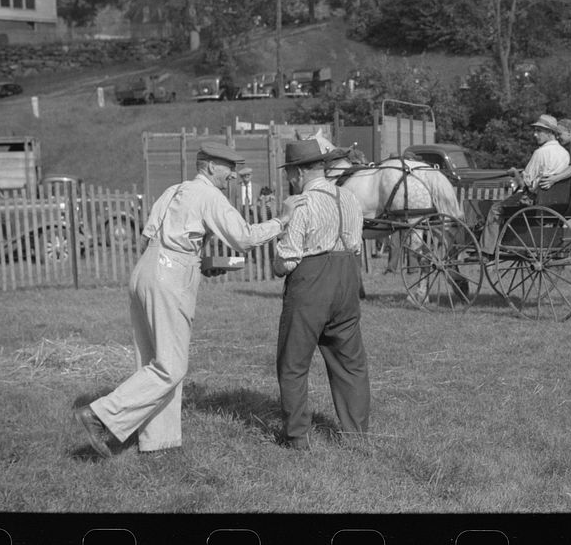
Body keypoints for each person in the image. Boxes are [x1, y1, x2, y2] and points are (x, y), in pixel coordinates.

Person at [73, 143, 294, 459]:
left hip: (146, 268)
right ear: (208, 166)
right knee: (171, 367)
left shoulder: (175, 189)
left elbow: (155, 235)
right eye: (227, 167)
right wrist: (282, 221)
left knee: (153, 360)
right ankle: (99, 415)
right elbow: (243, 237)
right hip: (169, 275)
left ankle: (158, 442)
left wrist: (197, 260)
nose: (232, 175)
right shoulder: (208, 195)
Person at [272, 140, 369, 451]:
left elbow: (287, 260)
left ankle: (297, 436)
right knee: (349, 360)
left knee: (293, 362)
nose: (289, 178)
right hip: (347, 278)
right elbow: (357, 245)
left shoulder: (301, 203)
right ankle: (356, 434)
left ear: (299, 172)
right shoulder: (350, 198)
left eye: (290, 172)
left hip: (311, 282)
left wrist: (276, 260)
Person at [479, 115, 570, 254]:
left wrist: (515, 173)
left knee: (495, 209)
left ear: (550, 133)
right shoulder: (565, 153)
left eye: (539, 131)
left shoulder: (540, 153)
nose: (535, 134)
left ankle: (486, 250)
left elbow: (525, 184)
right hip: (555, 202)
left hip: (534, 202)